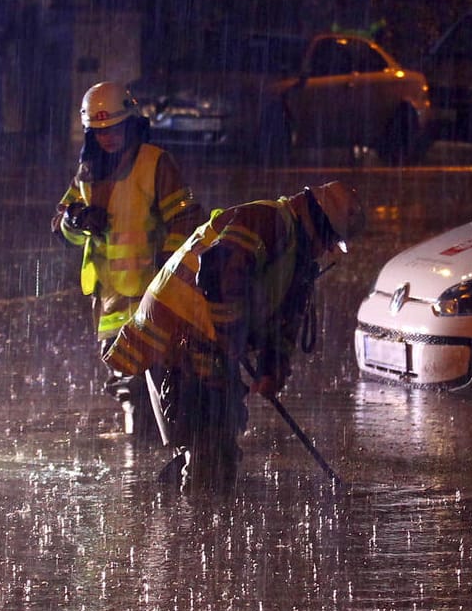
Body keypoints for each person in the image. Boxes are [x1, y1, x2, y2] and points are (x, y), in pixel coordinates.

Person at [102, 179, 365, 488]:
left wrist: (272, 369)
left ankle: (191, 501)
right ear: (317, 223)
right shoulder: (265, 222)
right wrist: (231, 334)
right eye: (331, 240)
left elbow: (285, 317)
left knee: (216, 432)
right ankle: (192, 510)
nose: (328, 250)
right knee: (208, 432)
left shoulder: (297, 251)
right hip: (178, 335)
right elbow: (218, 271)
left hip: (207, 340)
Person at [55, 82, 206, 441]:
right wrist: (75, 220)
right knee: (127, 386)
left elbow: (185, 221)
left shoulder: (155, 163)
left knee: (162, 384)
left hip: (153, 300)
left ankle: (166, 458)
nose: (107, 138)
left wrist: (167, 270)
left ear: (132, 124)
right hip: (110, 304)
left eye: (115, 129)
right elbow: (62, 228)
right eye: (100, 131)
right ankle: (144, 455)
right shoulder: (87, 173)